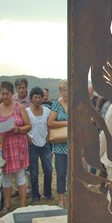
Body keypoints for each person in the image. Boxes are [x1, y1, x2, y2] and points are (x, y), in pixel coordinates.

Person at [0, 81, 31, 214]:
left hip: (17, 145)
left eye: (7, 94)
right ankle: (7, 205)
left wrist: (18, 129)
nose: (5, 96)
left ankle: (22, 205)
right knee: (6, 177)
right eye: (2, 94)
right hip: (3, 147)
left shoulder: (19, 107)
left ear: (12, 93)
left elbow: (28, 126)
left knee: (20, 175)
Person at [26, 87, 54, 203]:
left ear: (42, 98)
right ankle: (35, 195)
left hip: (44, 144)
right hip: (32, 144)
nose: (37, 99)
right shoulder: (27, 111)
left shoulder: (47, 111)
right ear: (31, 98)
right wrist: (28, 139)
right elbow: (25, 126)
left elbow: (50, 125)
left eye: (39, 97)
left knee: (48, 169)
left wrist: (48, 137)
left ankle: (47, 192)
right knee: (34, 172)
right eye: (35, 97)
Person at [48, 79, 68, 208]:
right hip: (60, 146)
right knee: (61, 173)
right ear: (60, 91)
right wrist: (66, 123)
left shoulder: (76, 103)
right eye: (63, 90)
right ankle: (61, 199)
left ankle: (74, 197)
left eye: (67, 89)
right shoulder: (56, 105)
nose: (66, 92)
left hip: (74, 145)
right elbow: (50, 122)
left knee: (75, 173)